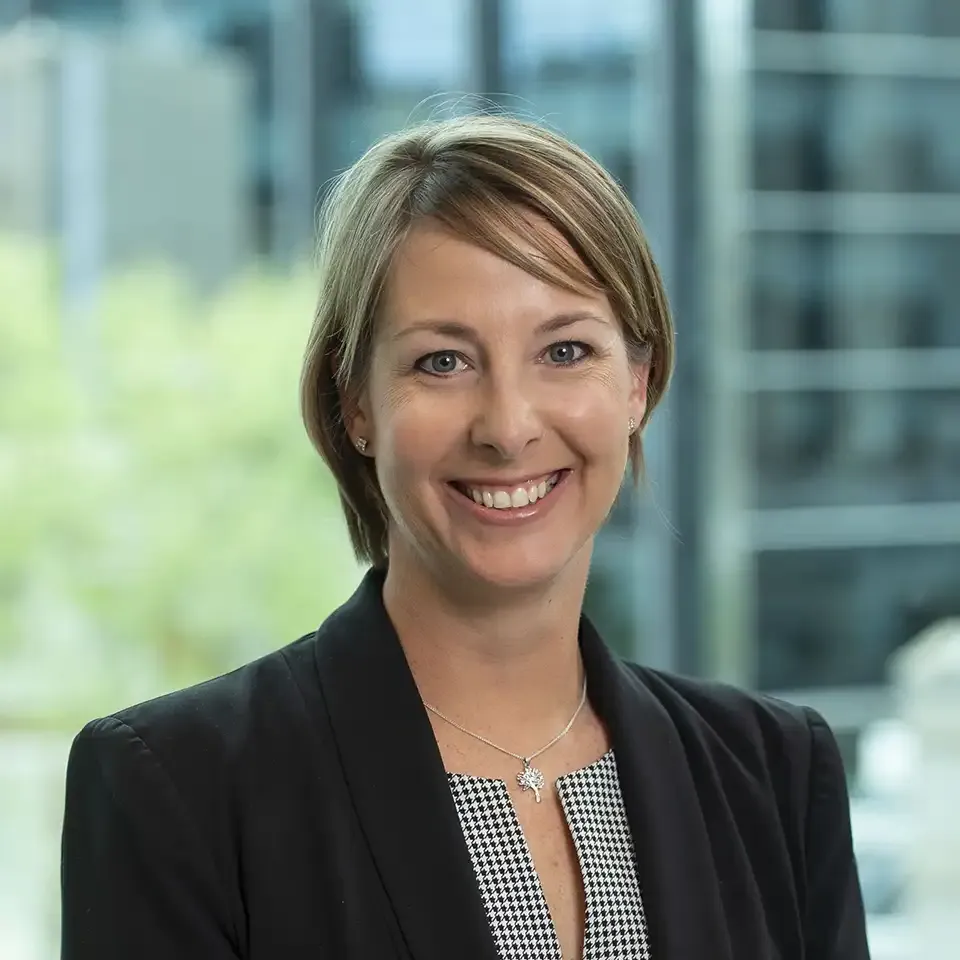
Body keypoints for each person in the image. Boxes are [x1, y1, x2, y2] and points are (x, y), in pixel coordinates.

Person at [60, 114, 870, 960]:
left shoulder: (775, 776)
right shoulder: (177, 788)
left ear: (638, 382)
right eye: (442, 362)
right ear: (357, 405)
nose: (508, 427)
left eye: (565, 350)